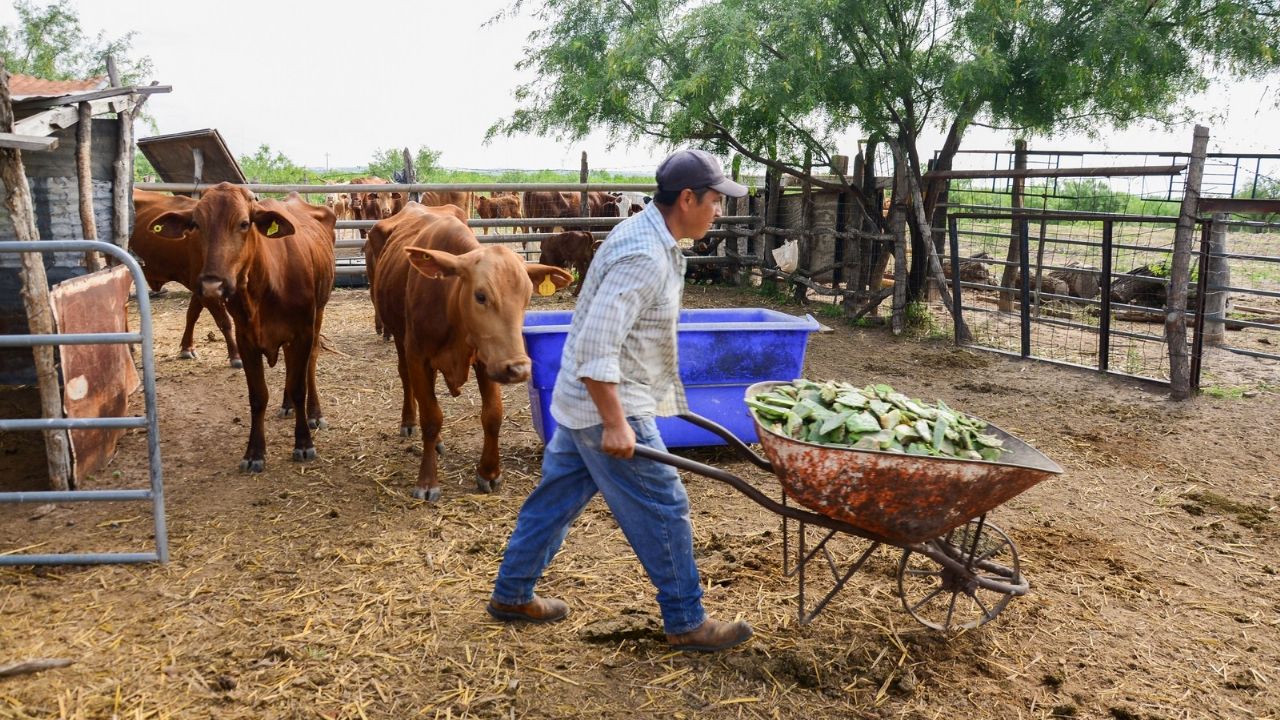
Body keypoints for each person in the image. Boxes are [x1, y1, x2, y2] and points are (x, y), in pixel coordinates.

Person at [487, 148, 753, 652]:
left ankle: (512, 593)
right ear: (687, 198)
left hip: (582, 401)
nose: (719, 211)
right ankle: (686, 620)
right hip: (607, 403)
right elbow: (596, 348)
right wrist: (615, 422)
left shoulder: (645, 234)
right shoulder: (643, 256)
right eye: (715, 200)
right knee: (665, 505)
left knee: (555, 501)